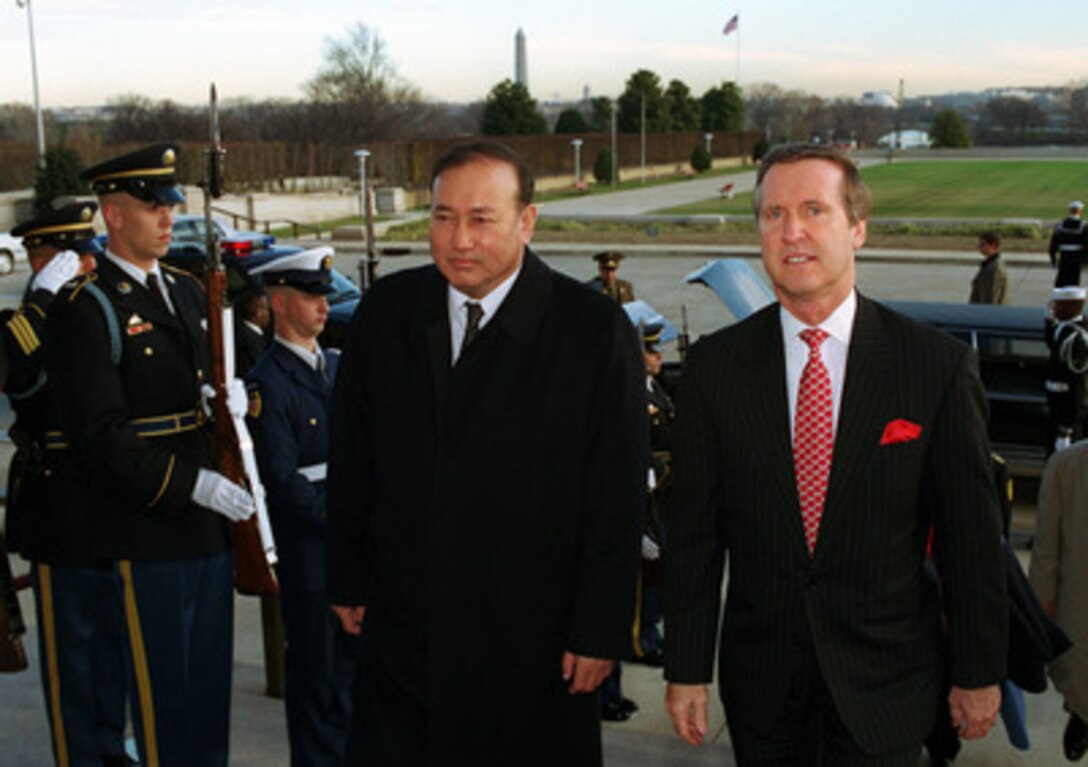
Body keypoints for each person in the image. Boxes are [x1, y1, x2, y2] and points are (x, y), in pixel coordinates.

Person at [663, 143, 1008, 765]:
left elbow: (971, 539)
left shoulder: (932, 366)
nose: (791, 231)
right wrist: (686, 667)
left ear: (857, 228)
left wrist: (978, 670)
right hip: (765, 694)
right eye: (772, 214)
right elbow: (693, 536)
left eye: (814, 210)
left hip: (890, 689)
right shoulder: (717, 369)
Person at [326, 141, 647, 766]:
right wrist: (347, 573)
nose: (458, 239)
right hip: (405, 628)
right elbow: (354, 457)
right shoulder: (388, 313)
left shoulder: (591, 331)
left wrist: (600, 628)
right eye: (443, 217)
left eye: (481, 219)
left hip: (534, 639)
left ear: (527, 222)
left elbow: (616, 493)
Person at [44, 144, 255, 767]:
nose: (168, 218)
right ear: (112, 214)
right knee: (165, 700)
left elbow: (227, 385)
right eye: (151, 205)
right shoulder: (89, 308)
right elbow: (101, 437)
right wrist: (192, 484)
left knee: (207, 693)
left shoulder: (188, 292)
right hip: (148, 525)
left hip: (207, 528)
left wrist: (242, 405)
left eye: (170, 205)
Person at [5, 203, 133, 767]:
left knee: (114, 644)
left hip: (110, 497)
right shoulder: (27, 326)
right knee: (74, 654)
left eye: (87, 255)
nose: (86, 266)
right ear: (42, 262)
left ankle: (109, 745)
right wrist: (41, 303)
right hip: (60, 507)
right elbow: (20, 380)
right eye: (71, 259)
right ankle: (81, 754)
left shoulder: (101, 310)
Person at [245, 247, 356, 766]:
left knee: (351, 687)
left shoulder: (334, 367)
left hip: (350, 552)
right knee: (316, 683)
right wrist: (346, 518)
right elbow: (284, 483)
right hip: (312, 557)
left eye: (324, 296)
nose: (323, 307)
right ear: (279, 301)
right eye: (311, 296)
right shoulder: (267, 383)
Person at [1030, 441, 1088, 762]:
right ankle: (1081, 716)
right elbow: (1046, 549)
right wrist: (1042, 604)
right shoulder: (1067, 467)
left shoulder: (1065, 465)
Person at [1043, 286, 1088, 453]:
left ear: (1072, 307)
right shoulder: (1065, 329)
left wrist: (1067, 428)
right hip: (1057, 408)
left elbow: (1078, 385)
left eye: (1059, 305)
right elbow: (1052, 343)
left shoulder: (1077, 338)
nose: (1055, 309)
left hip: (1066, 413)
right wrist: (1048, 320)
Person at [234, 284, 272, 376]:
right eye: (266, 308)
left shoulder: (243, 333)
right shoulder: (252, 342)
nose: (269, 313)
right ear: (258, 312)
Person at [1049, 201, 1087, 287]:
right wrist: (1085, 260)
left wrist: (1053, 257)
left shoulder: (1060, 225)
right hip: (1077, 256)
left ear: (1069, 210)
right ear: (1080, 211)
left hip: (1064, 255)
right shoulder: (1083, 226)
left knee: (1062, 278)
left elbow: (1054, 243)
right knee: (1073, 280)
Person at [969, 231, 1009, 305]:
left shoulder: (995, 268)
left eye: (983, 244)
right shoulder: (989, 264)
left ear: (993, 246)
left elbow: (993, 296)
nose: (979, 247)